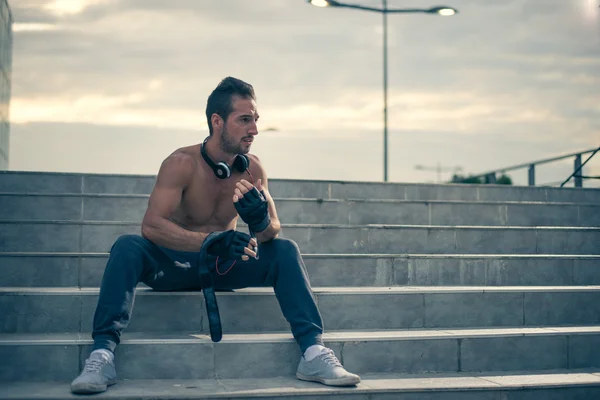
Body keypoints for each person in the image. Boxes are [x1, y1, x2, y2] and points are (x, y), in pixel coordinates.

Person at [70, 76, 361, 394]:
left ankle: (313, 353)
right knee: (127, 246)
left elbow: (271, 230)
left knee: (285, 250)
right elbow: (152, 226)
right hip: (174, 267)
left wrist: (259, 219)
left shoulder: (254, 168)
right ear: (217, 121)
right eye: (245, 120)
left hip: (225, 266)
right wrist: (209, 241)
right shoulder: (181, 163)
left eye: (256, 120)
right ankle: (102, 355)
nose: (254, 130)